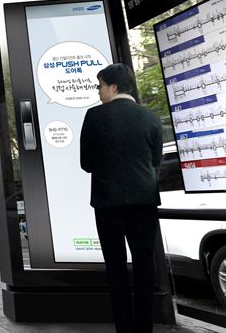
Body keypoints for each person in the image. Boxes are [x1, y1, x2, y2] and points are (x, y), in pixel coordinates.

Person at [80, 63, 163, 333]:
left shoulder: (94, 117)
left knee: (115, 267)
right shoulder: (150, 117)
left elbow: (86, 163)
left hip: (108, 203)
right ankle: (144, 328)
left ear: (113, 87)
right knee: (144, 264)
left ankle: (124, 329)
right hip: (144, 201)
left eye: (100, 86)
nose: (99, 92)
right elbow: (156, 160)